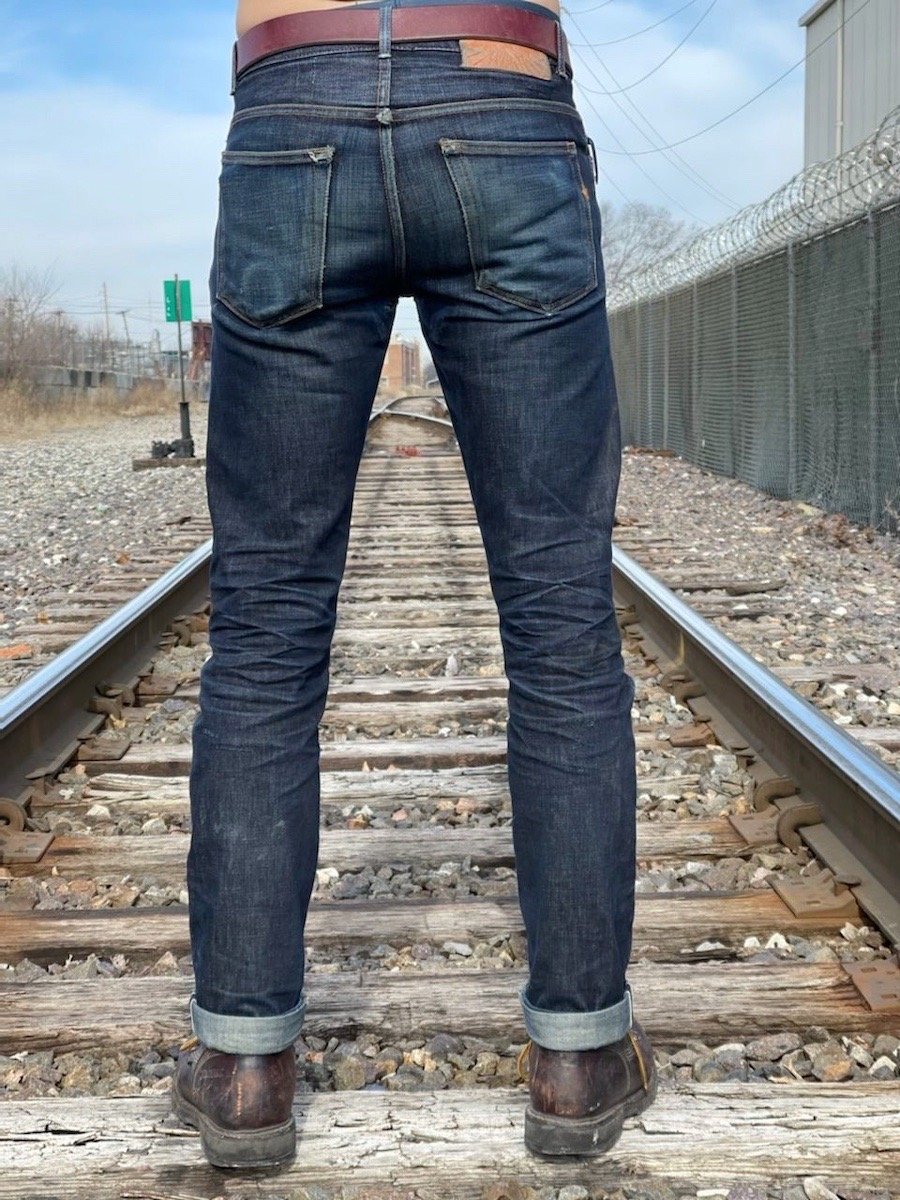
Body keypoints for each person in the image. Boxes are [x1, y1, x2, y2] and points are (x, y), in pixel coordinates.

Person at [171, 0, 658, 1171]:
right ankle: (580, 1057)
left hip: (295, 92)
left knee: (265, 630)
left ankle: (245, 1069)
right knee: (560, 619)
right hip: (503, 96)